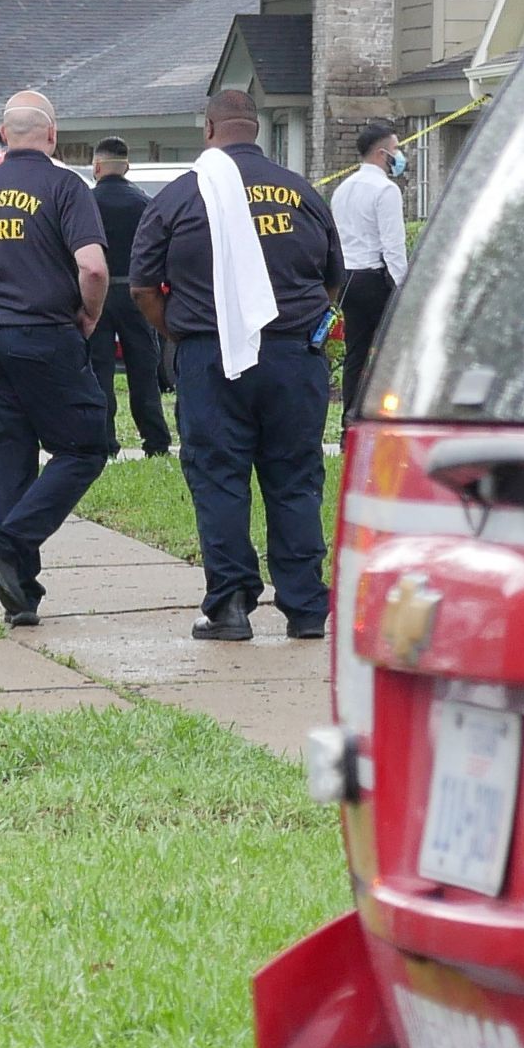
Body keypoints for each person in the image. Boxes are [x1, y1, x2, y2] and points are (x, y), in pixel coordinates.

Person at [134, 89, 344, 642]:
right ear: (256, 128)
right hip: (295, 355)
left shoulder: (180, 196)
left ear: (208, 131)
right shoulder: (302, 193)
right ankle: (305, 608)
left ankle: (229, 606)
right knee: (296, 478)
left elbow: (141, 286)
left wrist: (179, 334)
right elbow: (333, 278)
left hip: (211, 355)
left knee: (219, 478)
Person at [0, 91, 111, 626]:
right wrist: (90, 315)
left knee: (12, 461)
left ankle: (20, 593)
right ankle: (5, 544)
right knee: (85, 447)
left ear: (4, 137)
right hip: (45, 338)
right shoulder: (65, 187)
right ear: (52, 135)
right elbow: (94, 267)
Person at [83, 137, 172, 457]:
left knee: (98, 370)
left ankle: (104, 441)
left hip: (98, 293)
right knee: (143, 370)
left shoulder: (86, 202)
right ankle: (156, 441)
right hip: (137, 293)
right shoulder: (145, 203)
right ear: (127, 166)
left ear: (96, 166)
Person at [332, 120, 411, 410]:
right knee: (388, 353)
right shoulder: (386, 190)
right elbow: (393, 246)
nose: (399, 155)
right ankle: (384, 414)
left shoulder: (344, 188)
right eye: (396, 149)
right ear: (381, 154)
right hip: (374, 279)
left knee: (355, 353)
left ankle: (348, 421)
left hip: (347, 279)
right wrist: (403, 288)